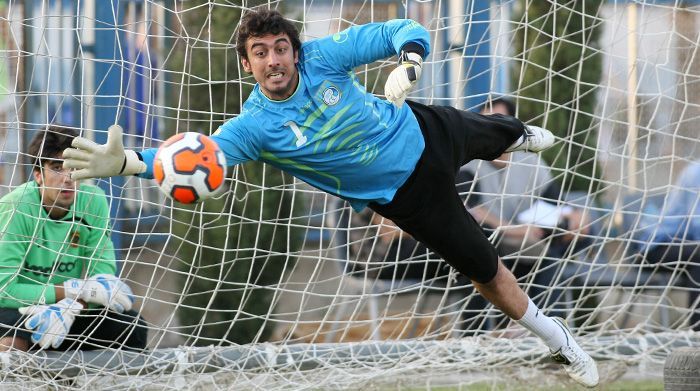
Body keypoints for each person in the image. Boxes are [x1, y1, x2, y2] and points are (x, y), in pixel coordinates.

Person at [62, 10, 598, 386]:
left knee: (499, 130)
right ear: (247, 65)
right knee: (488, 273)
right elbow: (200, 159)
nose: (274, 60)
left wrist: (408, 64)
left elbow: (403, 30)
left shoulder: (324, 58)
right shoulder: (256, 128)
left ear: (295, 51)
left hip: (424, 129)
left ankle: (519, 138)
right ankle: (562, 342)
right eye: (259, 53)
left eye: (280, 49)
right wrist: (129, 163)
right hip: (409, 199)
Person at [0, 126, 148, 351]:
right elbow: (4, 290)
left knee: (132, 326)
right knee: (14, 341)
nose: (68, 178)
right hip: (18, 307)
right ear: (38, 175)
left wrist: (72, 304)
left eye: (75, 168)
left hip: (67, 309)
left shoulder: (93, 201)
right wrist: (70, 290)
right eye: (57, 168)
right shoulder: (16, 207)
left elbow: (102, 278)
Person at [459, 97, 590, 323]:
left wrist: (579, 216)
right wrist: (516, 230)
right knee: (482, 251)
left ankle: (543, 329)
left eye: (497, 121)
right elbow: (471, 210)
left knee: (573, 235)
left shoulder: (530, 162)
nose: (490, 128)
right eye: (484, 121)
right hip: (493, 242)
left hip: (530, 242)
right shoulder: (468, 164)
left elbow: (557, 202)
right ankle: (537, 326)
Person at [639, 161, 699, 331]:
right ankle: (697, 333)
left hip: (687, 246)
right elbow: (696, 225)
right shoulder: (696, 173)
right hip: (656, 246)